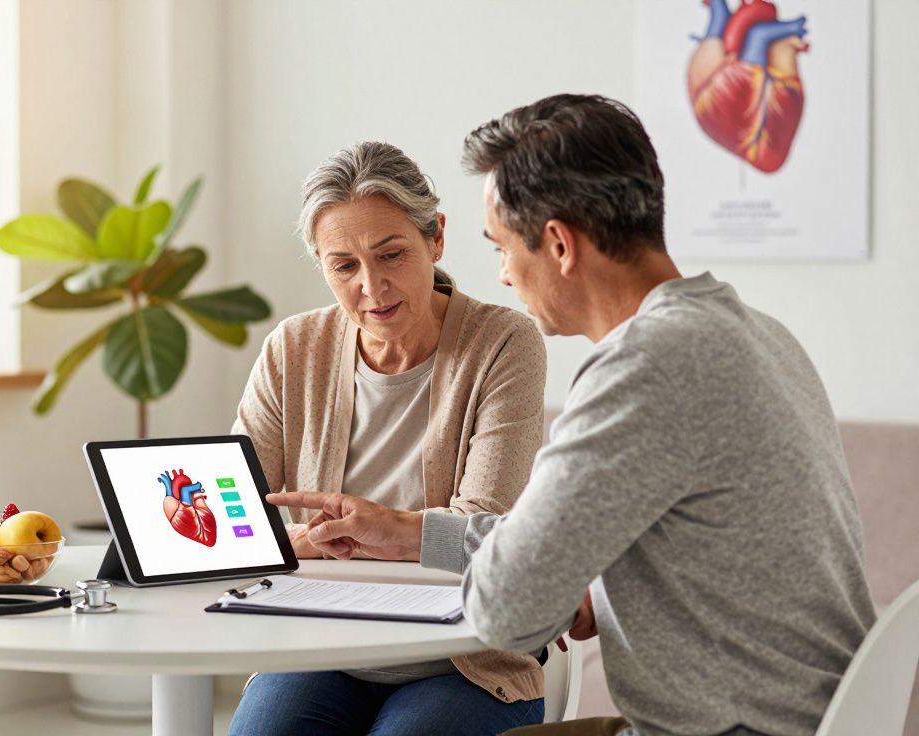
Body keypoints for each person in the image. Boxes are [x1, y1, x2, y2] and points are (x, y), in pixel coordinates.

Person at [269, 95, 877, 736]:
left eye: (502, 247)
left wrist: (553, 582)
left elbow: (507, 608)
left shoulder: (643, 368)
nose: (502, 275)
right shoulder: (755, 332)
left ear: (557, 243)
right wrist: (414, 534)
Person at [226, 141, 548, 735]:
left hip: (463, 662)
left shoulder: (504, 343)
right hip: (318, 649)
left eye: (391, 254)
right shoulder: (292, 348)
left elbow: (487, 523)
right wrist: (326, 538)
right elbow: (236, 515)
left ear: (436, 239)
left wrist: (337, 535)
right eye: (343, 265)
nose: (371, 287)